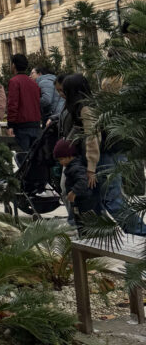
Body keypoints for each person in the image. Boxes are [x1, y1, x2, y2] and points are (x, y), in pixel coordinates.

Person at [63, 72, 146, 235]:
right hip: (112, 154)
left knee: (112, 200)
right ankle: (101, 235)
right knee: (101, 200)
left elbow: (93, 138)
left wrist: (91, 168)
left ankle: (140, 231)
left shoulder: (85, 107)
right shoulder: (93, 103)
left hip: (105, 157)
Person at [53, 138, 101, 232]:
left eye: (61, 159)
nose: (60, 163)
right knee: (81, 223)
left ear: (70, 156)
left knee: (85, 224)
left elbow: (82, 181)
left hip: (85, 201)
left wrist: (73, 192)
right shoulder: (72, 166)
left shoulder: (76, 167)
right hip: (82, 201)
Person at [6, 53, 42, 160]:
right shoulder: (33, 83)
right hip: (35, 124)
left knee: (23, 158)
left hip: (22, 125)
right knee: (33, 158)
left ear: (13, 65)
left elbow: (13, 104)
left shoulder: (14, 81)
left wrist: (10, 125)